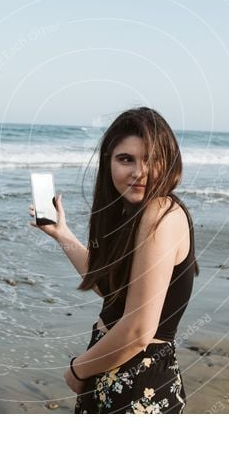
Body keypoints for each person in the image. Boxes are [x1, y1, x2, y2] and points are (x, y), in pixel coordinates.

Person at [29, 107, 199, 413]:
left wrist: (78, 369)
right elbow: (111, 289)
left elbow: (138, 331)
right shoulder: (134, 214)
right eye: (126, 159)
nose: (139, 172)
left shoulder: (160, 213)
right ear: (109, 163)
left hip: (136, 384)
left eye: (151, 159)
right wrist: (62, 234)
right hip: (115, 373)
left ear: (170, 162)